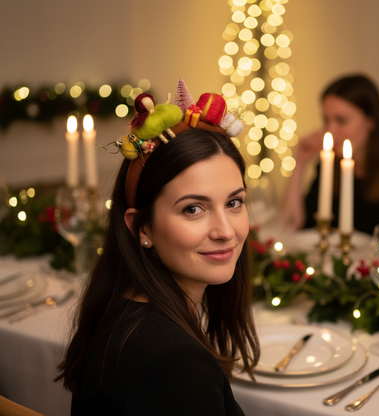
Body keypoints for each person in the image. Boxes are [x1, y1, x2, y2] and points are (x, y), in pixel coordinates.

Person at [56, 90, 260, 415]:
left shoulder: (121, 306)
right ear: (142, 228)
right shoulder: (175, 364)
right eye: (193, 208)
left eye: (234, 202)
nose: (226, 231)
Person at [281, 74, 379, 235]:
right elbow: (292, 225)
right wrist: (300, 164)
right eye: (326, 120)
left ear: (371, 120)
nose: (330, 131)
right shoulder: (329, 164)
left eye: (341, 120)